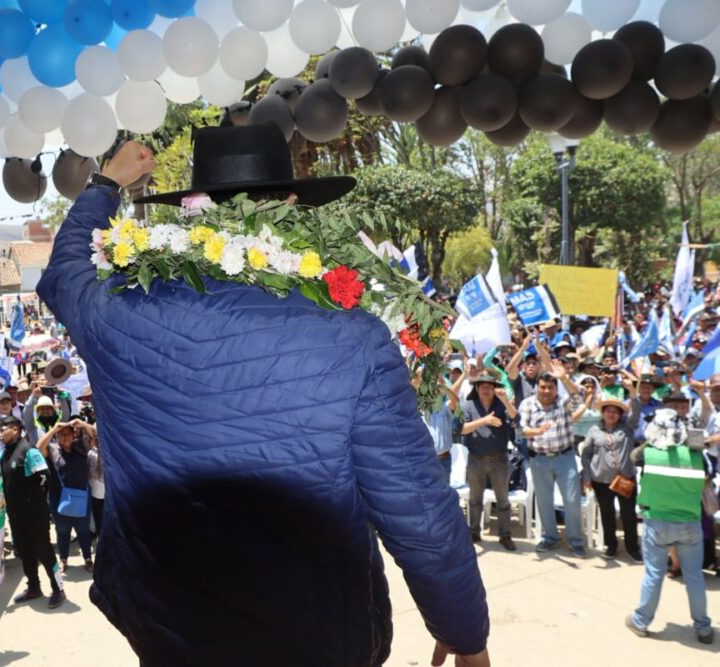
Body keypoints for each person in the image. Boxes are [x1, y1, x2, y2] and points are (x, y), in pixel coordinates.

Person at [36, 131, 489, 666]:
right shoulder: (354, 337)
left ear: (193, 211)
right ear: (291, 207)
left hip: (168, 628)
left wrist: (106, 184)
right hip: (318, 636)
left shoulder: (113, 315)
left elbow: (63, 274)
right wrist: (463, 630)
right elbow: (416, 509)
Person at [626, 409, 714, 644]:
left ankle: (641, 621)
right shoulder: (697, 456)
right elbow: (709, 473)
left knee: (654, 574)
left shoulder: (648, 454)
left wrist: (653, 438)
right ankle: (703, 628)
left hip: (657, 522)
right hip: (689, 524)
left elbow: (634, 455)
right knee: (694, 576)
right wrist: (693, 443)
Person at [0, 415, 65, 608]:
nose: (0, 433)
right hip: (16, 515)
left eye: (3, 430)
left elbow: (44, 476)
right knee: (25, 552)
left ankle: (58, 589)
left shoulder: (29, 451)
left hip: (34, 514)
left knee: (44, 551)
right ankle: (34, 587)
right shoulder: (6, 453)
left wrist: (32, 500)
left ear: (15, 430)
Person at [518, 362, 586, 557]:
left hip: (565, 457)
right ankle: (550, 537)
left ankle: (575, 541)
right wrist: (535, 431)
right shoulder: (527, 404)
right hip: (539, 460)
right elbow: (521, 429)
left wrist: (564, 377)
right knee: (544, 501)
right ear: (537, 387)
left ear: (556, 389)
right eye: (543, 387)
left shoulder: (563, 403)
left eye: (550, 387)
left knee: (572, 500)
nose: (546, 391)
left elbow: (578, 399)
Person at [460, 371, 518, 551]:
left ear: (494, 389)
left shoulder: (501, 405)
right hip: (476, 459)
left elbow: (515, 417)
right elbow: (462, 429)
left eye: (490, 386)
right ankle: (474, 531)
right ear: (477, 388)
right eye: (483, 386)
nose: (486, 390)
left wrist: (506, 400)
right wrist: (484, 420)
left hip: (499, 460)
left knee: (503, 500)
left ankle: (505, 535)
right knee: (474, 499)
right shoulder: (468, 405)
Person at [579, 399, 641, 562]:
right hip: (601, 480)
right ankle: (611, 546)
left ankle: (632, 548)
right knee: (607, 515)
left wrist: (633, 394)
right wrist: (587, 476)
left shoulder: (627, 428)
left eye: (615, 411)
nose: (611, 414)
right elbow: (586, 455)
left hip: (624, 478)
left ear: (620, 415)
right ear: (603, 412)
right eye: (608, 410)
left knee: (628, 515)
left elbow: (635, 413)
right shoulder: (594, 430)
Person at [46, 419, 96, 572]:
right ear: (57, 436)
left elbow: (94, 437)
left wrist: (83, 424)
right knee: (63, 531)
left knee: (83, 530)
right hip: (59, 498)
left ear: (74, 434)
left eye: (68, 434)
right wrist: (54, 429)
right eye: (61, 434)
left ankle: (87, 558)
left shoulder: (80, 447)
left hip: (81, 497)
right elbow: (38, 447)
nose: (65, 437)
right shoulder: (52, 449)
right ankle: (63, 559)